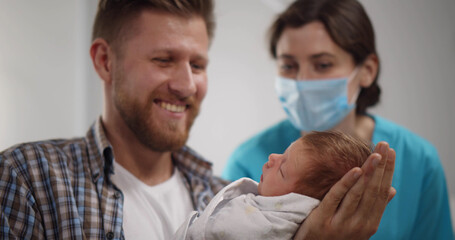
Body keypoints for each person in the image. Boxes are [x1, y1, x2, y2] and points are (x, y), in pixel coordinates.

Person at [0, 0, 395, 239]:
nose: (187, 85)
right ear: (105, 61)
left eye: (198, 64)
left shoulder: (235, 198)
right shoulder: (29, 179)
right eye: (163, 59)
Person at [223, 0, 454, 239]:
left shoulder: (420, 162)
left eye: (322, 65)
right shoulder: (246, 164)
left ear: (367, 70)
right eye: (288, 66)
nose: (302, 81)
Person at [174, 131, 373, 240]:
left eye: (282, 170)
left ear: (295, 202)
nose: (272, 158)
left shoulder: (266, 228)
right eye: (282, 153)